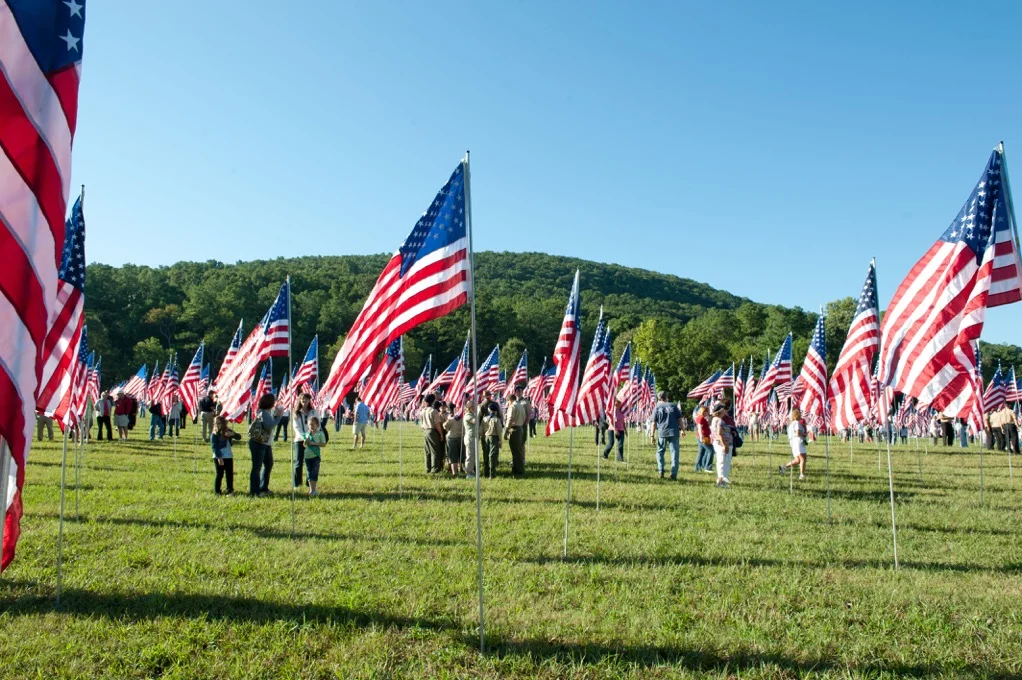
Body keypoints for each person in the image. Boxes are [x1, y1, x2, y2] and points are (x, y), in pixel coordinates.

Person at [248, 393, 279, 496]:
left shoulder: (266, 412)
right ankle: (254, 491)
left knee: (269, 464)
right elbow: (269, 426)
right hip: (259, 443)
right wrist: (278, 417)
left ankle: (263, 487)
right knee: (257, 467)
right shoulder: (264, 413)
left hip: (265, 443)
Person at [652, 391, 683, 480]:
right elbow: (680, 419)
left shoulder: (657, 407)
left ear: (659, 398)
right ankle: (674, 474)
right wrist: (683, 430)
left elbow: (653, 423)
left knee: (660, 452)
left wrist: (652, 435)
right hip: (674, 432)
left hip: (662, 432)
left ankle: (661, 470)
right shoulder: (673, 406)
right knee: (674, 453)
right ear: (666, 397)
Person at [210, 416, 241, 495]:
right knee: (219, 474)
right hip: (219, 456)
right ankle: (217, 491)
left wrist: (233, 434)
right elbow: (214, 447)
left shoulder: (228, 430)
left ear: (223, 423)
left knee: (229, 474)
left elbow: (239, 437)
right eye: (215, 423)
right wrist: (219, 458)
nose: (217, 425)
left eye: (219, 423)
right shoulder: (214, 434)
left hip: (228, 456)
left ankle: (229, 489)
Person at [292, 393, 315, 488]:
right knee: (298, 462)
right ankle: (296, 483)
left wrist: (311, 436)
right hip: (299, 440)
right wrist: (304, 437)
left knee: (310, 462)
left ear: (309, 400)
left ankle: (308, 482)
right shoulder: (296, 412)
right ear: (300, 400)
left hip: (312, 440)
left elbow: (317, 424)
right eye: (302, 399)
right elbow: (296, 427)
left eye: (306, 399)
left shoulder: (313, 412)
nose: (304, 401)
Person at [506, 385, 530, 477]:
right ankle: (517, 464)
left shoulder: (525, 402)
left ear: (522, 392)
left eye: (520, 391)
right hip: (518, 425)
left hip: (521, 425)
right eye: (517, 391)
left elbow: (528, 414)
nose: (518, 392)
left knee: (521, 445)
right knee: (517, 447)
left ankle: (521, 462)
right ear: (515, 392)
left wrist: (525, 424)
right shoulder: (516, 403)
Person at [710, 403, 735, 487]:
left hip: (719, 442)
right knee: (723, 462)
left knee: (722, 461)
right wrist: (724, 445)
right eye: (724, 410)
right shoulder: (719, 420)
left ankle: (723, 478)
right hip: (722, 443)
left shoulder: (714, 419)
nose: (725, 411)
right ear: (720, 411)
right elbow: (719, 434)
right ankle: (721, 480)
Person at [420, 394, 445, 474]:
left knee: (427, 451)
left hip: (425, 431)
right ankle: (435, 469)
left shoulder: (423, 411)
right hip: (432, 431)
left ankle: (428, 468)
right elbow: (437, 424)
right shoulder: (433, 411)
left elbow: (421, 424)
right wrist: (441, 434)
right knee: (435, 451)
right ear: (433, 401)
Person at [780, 408, 808, 480]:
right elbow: (797, 433)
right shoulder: (797, 423)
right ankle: (802, 475)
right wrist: (804, 434)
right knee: (803, 458)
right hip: (798, 441)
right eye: (799, 414)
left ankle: (784, 467)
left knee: (797, 460)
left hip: (793, 443)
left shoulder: (791, 425)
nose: (800, 415)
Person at [303, 416, 327, 497]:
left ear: (317, 425)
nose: (311, 426)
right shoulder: (307, 434)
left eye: (312, 425)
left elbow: (323, 444)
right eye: (309, 425)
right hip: (307, 456)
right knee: (309, 472)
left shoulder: (320, 433)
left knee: (315, 472)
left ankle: (314, 489)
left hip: (315, 456)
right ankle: (311, 490)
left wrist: (314, 443)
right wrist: (306, 441)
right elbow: (304, 444)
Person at [484, 401, 503, 478]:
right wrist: (500, 441)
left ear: (489, 410)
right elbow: (499, 431)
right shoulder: (496, 420)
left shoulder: (485, 419)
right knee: (492, 456)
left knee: (486, 454)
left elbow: (481, 430)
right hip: (494, 437)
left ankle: (486, 472)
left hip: (486, 437)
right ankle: (492, 474)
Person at [444, 405, 464, 477]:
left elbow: (445, 426)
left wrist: (448, 419)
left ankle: (454, 472)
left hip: (452, 438)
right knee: (461, 455)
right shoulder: (463, 419)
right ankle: (461, 469)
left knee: (453, 457)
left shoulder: (452, 419)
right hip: (461, 438)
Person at [693, 405, 713, 472]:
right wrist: (701, 436)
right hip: (702, 437)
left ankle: (697, 467)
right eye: (707, 411)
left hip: (703, 436)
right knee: (711, 451)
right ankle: (707, 467)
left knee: (701, 452)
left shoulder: (702, 418)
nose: (708, 412)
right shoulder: (701, 418)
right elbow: (699, 428)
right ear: (704, 411)